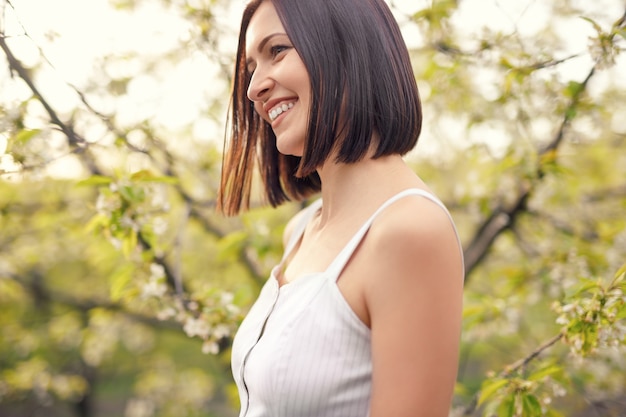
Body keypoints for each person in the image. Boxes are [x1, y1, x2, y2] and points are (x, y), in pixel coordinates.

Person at [217, 0, 465, 416]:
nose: (253, 88)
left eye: (277, 51)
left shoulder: (409, 231)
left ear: (346, 49)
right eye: (250, 69)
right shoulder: (300, 232)